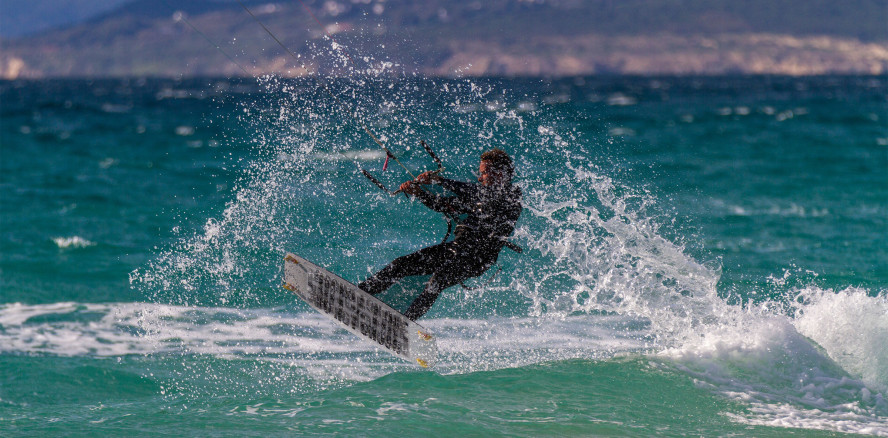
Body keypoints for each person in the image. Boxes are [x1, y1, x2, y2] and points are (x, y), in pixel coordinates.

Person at [358, 149, 522, 320]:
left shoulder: (511, 196)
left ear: (500, 173)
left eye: (484, 173)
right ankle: (359, 294)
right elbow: (443, 205)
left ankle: (405, 322)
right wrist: (419, 193)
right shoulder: (478, 196)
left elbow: (479, 193)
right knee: (400, 265)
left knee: (437, 280)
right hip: (456, 249)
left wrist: (440, 180)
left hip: (477, 258)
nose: (480, 178)